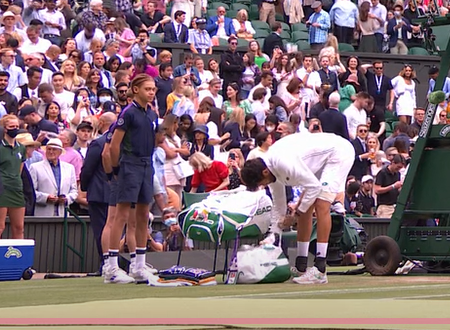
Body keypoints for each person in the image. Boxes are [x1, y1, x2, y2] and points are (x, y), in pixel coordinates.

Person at [240, 132, 355, 284]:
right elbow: (279, 206)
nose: (264, 185)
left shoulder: (283, 163)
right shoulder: (269, 169)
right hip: (317, 163)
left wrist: (295, 215)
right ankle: (301, 266)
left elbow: (313, 187)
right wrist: (273, 234)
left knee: (321, 204)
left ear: (265, 172)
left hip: (338, 153)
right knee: (305, 208)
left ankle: (320, 269)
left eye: (262, 182)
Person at [107, 74, 159, 283]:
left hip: (147, 165)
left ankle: (138, 265)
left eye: (154, 89)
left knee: (143, 215)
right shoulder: (127, 113)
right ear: (135, 90)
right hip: (130, 164)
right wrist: (116, 169)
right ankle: (111, 268)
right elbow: (114, 145)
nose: (152, 92)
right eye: (148, 89)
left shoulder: (152, 114)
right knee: (121, 215)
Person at [80, 112, 116, 266]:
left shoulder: (99, 143)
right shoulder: (123, 142)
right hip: (117, 192)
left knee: (101, 230)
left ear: (100, 123)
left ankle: (105, 263)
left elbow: (87, 169)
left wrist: (84, 187)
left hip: (100, 192)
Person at [29, 138, 78, 217]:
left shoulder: (69, 168)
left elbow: (74, 191)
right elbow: (31, 191)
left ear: (60, 152)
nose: (51, 152)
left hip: (63, 214)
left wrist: (66, 199)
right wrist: (46, 197)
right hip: (43, 214)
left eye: (54, 149)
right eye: (49, 149)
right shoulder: (35, 167)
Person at [0, 114, 26, 238]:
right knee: (0, 226)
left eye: (17, 126)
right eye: (11, 126)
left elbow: (19, 169)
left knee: (19, 227)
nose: (15, 128)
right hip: (2, 189)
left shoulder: (21, 148)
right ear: (4, 128)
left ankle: (18, 256)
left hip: (16, 188)